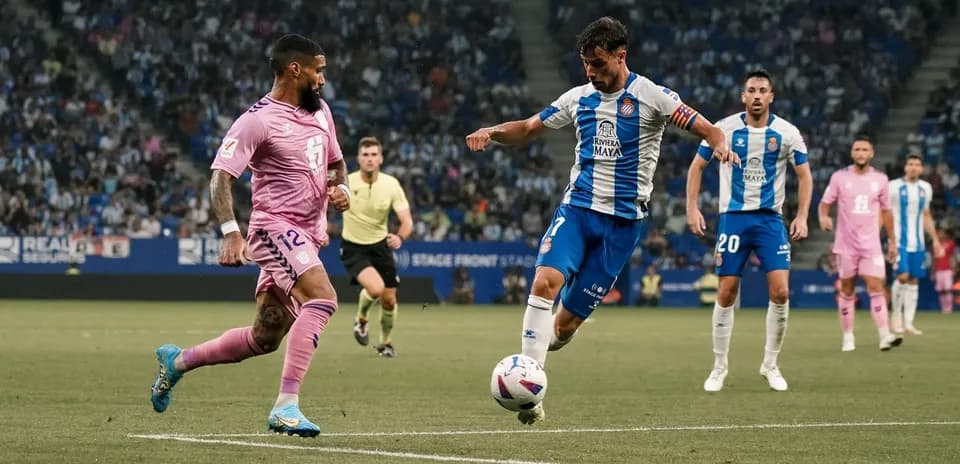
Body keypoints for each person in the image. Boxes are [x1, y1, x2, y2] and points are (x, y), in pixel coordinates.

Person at [464, 16, 736, 424]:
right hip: (578, 211)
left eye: (598, 63)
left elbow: (707, 129)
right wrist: (492, 131)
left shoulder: (653, 96)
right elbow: (527, 127)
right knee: (543, 282)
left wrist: (719, 145)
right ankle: (532, 397)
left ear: (620, 56)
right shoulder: (578, 98)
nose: (591, 72)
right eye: (586, 64)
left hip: (623, 226)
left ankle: (549, 347)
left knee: (566, 326)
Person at [149, 34, 350, 437]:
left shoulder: (321, 111)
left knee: (266, 334)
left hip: (307, 237)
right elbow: (220, 177)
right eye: (318, 70)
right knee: (324, 298)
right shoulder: (256, 120)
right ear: (296, 70)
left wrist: (340, 188)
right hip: (274, 227)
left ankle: (179, 361)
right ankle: (286, 406)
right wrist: (231, 233)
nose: (323, 79)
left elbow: (335, 164)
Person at [686, 70, 813, 392]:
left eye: (763, 91)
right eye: (751, 90)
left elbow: (805, 176)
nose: (757, 96)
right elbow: (696, 167)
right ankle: (719, 367)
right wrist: (692, 207)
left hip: (770, 220)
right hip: (734, 220)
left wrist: (801, 216)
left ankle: (770, 364)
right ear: (743, 96)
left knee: (781, 291)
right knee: (726, 291)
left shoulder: (787, 133)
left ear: (771, 97)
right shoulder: (723, 129)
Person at [818, 136, 902, 352]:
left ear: (871, 153)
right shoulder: (839, 177)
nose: (861, 153)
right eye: (857, 149)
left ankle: (884, 336)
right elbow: (825, 204)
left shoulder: (881, 179)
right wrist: (824, 217)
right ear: (852, 153)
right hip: (846, 245)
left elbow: (887, 212)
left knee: (876, 287)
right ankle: (848, 336)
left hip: (871, 245)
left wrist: (892, 242)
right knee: (847, 289)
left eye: (865, 149)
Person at [340, 136, 413, 358]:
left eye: (373, 155)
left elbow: (407, 221)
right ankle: (361, 320)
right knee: (375, 288)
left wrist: (399, 237)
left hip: (380, 246)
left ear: (380, 158)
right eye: (365, 155)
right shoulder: (347, 183)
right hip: (353, 246)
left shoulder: (391, 184)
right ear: (358, 159)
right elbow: (322, 207)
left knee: (389, 299)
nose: (370, 159)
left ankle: (385, 344)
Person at [889, 154, 944, 334]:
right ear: (905, 167)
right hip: (899, 241)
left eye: (917, 164)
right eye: (910, 164)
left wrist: (935, 239)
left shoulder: (925, 188)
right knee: (902, 276)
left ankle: (909, 323)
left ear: (921, 169)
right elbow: (885, 213)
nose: (913, 167)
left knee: (913, 281)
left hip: (918, 242)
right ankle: (895, 316)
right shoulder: (894, 187)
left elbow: (926, 215)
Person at [934, 229, 955, 313]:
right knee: (941, 290)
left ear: (945, 234)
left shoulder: (950, 243)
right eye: (938, 234)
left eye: (942, 233)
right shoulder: (935, 245)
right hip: (938, 270)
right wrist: (933, 271)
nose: (940, 235)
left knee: (948, 289)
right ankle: (943, 308)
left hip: (947, 269)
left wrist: (953, 268)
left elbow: (953, 256)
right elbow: (934, 259)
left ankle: (949, 308)